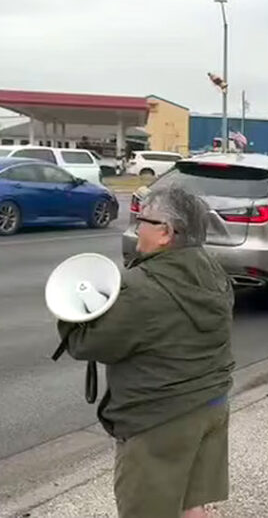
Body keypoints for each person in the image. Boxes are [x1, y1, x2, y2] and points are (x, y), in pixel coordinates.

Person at [55, 187, 234, 518]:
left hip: (161, 421)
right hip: (212, 405)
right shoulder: (214, 270)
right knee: (191, 504)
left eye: (142, 220)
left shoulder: (142, 290)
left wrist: (71, 310)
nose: (137, 229)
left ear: (165, 232)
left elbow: (87, 344)